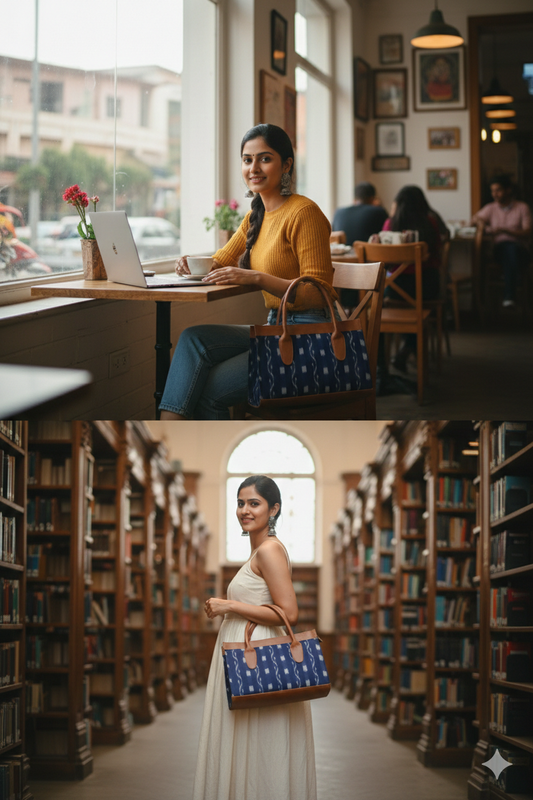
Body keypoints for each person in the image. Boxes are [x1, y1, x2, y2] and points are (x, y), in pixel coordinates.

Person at [159, 123, 336, 420]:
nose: (254, 167)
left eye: (265, 158)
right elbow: (221, 260)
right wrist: (192, 263)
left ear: (286, 165)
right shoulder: (256, 216)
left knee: (210, 388)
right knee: (192, 338)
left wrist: (257, 278)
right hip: (275, 328)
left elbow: (319, 294)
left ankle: (173, 432)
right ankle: (168, 425)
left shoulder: (304, 213)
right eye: (247, 159)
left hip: (310, 337)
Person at [192, 475, 317, 800]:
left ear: (274, 509)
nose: (244, 510)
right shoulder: (259, 550)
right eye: (240, 503)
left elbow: (289, 613)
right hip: (246, 655)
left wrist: (229, 605)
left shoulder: (269, 550)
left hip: (258, 659)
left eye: (254, 503)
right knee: (252, 738)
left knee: (262, 740)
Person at [378, 185, 443, 381]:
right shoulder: (430, 223)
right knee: (418, 311)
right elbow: (437, 257)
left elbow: (384, 260)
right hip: (427, 290)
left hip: (395, 293)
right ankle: (407, 349)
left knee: (375, 312)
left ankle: (381, 370)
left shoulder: (390, 224)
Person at [472, 175, 532, 307]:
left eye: (498, 190)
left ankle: (509, 287)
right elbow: (474, 219)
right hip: (499, 250)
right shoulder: (490, 208)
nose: (495, 194)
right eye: (492, 191)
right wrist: (480, 221)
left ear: (508, 190)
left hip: (521, 250)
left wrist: (506, 231)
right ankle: (510, 292)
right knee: (507, 250)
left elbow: (528, 232)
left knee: (512, 249)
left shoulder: (522, 207)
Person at [332, 181, 388, 248]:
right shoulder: (379, 211)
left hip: (342, 256)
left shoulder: (339, 212)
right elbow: (387, 234)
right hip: (368, 256)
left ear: (355, 198)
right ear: (372, 198)